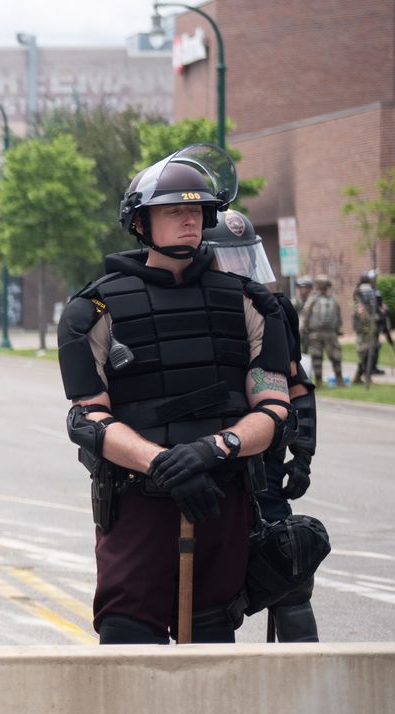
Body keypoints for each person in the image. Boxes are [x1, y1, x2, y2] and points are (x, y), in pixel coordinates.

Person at [57, 144, 293, 644]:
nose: (189, 220)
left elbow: (273, 408)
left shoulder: (253, 303)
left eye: (197, 211)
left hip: (221, 495)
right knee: (126, 634)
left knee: (212, 635)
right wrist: (160, 462)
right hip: (137, 501)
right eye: (174, 211)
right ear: (142, 223)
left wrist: (214, 448)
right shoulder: (92, 310)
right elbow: (87, 418)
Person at [202, 209, 320, 641]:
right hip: (209, 461)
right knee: (207, 588)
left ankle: (302, 681)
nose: (239, 271)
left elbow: (297, 386)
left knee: (290, 566)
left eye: (244, 259)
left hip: (263, 462)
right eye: (227, 260)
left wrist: (302, 454)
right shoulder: (188, 304)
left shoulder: (273, 309)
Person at [302, 275, 344, 386]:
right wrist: (338, 329)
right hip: (331, 333)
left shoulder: (312, 300)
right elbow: (339, 317)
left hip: (315, 333)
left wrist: (304, 329)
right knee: (335, 357)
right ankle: (339, 380)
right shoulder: (333, 300)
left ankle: (319, 382)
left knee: (317, 358)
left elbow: (305, 316)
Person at [352, 269, 387, 385]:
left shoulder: (370, 292)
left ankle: (366, 376)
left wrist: (378, 313)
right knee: (364, 352)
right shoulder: (359, 297)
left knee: (371, 353)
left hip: (371, 329)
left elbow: (374, 307)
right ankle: (360, 376)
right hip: (363, 331)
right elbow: (359, 314)